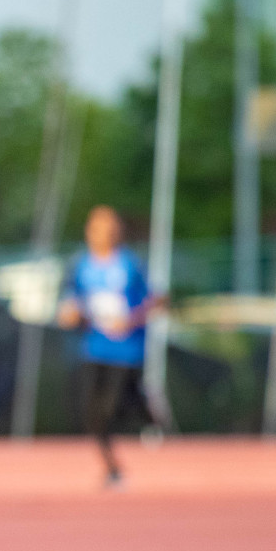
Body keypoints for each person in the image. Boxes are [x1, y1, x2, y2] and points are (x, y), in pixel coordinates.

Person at [57, 205, 162, 487]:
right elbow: (70, 300)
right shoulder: (81, 265)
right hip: (95, 347)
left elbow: (155, 299)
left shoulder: (129, 264)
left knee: (114, 408)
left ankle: (143, 403)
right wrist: (70, 314)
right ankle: (112, 466)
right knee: (92, 412)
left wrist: (130, 320)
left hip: (127, 351)